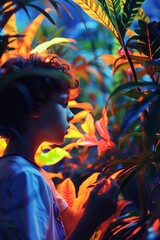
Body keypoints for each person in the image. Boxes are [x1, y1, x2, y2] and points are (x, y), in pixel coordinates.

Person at [0, 54, 119, 240]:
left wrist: (96, 206)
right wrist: (90, 220)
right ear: (35, 107)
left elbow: (69, 222)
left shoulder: (29, 171)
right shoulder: (23, 176)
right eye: (63, 104)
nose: (71, 115)